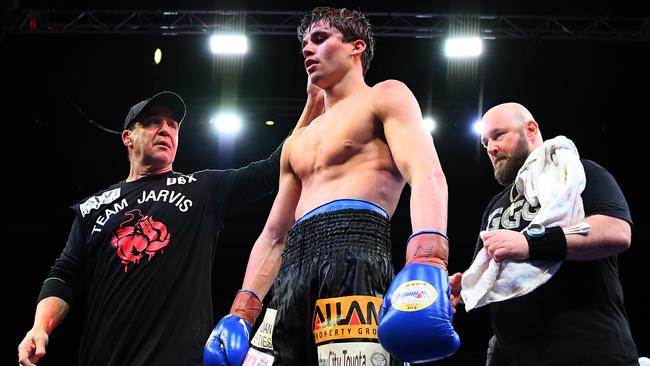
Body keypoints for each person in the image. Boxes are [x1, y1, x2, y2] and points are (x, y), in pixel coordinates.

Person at [204, 7, 459, 366]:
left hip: (355, 257)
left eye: (320, 39)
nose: (308, 49)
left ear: (357, 47)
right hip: (290, 275)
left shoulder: (385, 96)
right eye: (304, 43)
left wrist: (429, 257)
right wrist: (242, 312)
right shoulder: (297, 141)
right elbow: (274, 234)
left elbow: (426, 172)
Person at [17, 89, 324, 366]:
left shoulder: (202, 188)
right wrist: (39, 328)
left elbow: (272, 169)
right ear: (127, 137)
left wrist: (313, 103)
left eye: (173, 125)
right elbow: (64, 275)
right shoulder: (93, 207)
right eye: (152, 122)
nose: (165, 129)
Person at [453, 102, 638, 365]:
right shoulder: (495, 206)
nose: (491, 148)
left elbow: (616, 231)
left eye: (498, 135)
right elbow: (488, 271)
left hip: (590, 352)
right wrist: (465, 286)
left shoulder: (577, 172)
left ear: (530, 129)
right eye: (485, 142)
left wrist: (530, 243)